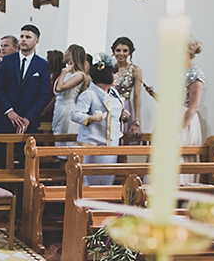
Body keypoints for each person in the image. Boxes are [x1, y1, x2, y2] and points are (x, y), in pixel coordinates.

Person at [70, 57, 128, 186]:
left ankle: (104, 205)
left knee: (107, 179)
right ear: (105, 76)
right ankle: (87, 205)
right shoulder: (88, 94)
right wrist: (91, 118)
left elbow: (115, 113)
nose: (117, 76)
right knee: (91, 181)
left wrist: (123, 115)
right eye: (114, 73)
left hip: (112, 144)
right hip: (94, 144)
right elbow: (74, 115)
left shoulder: (114, 92)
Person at [0, 25, 52, 135]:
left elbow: (44, 96)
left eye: (28, 37)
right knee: (1, 151)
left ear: (36, 41)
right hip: (5, 118)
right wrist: (9, 111)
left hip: (29, 121)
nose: (23, 39)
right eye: (22, 36)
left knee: (25, 151)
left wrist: (28, 118)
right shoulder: (6, 61)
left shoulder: (42, 65)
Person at [180, 37, 206, 185]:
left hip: (185, 120)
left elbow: (194, 106)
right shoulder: (179, 71)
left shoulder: (195, 74)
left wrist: (180, 127)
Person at [111, 36, 149, 135]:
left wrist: (136, 121)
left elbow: (137, 96)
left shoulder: (135, 70)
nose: (121, 54)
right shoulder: (108, 68)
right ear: (113, 51)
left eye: (125, 51)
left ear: (130, 52)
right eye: (118, 50)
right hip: (109, 106)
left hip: (125, 106)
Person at [52, 44, 91, 138]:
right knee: (57, 134)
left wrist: (64, 71)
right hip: (59, 107)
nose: (64, 55)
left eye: (66, 52)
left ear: (71, 55)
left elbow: (59, 88)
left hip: (67, 108)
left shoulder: (79, 75)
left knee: (64, 135)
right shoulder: (68, 73)